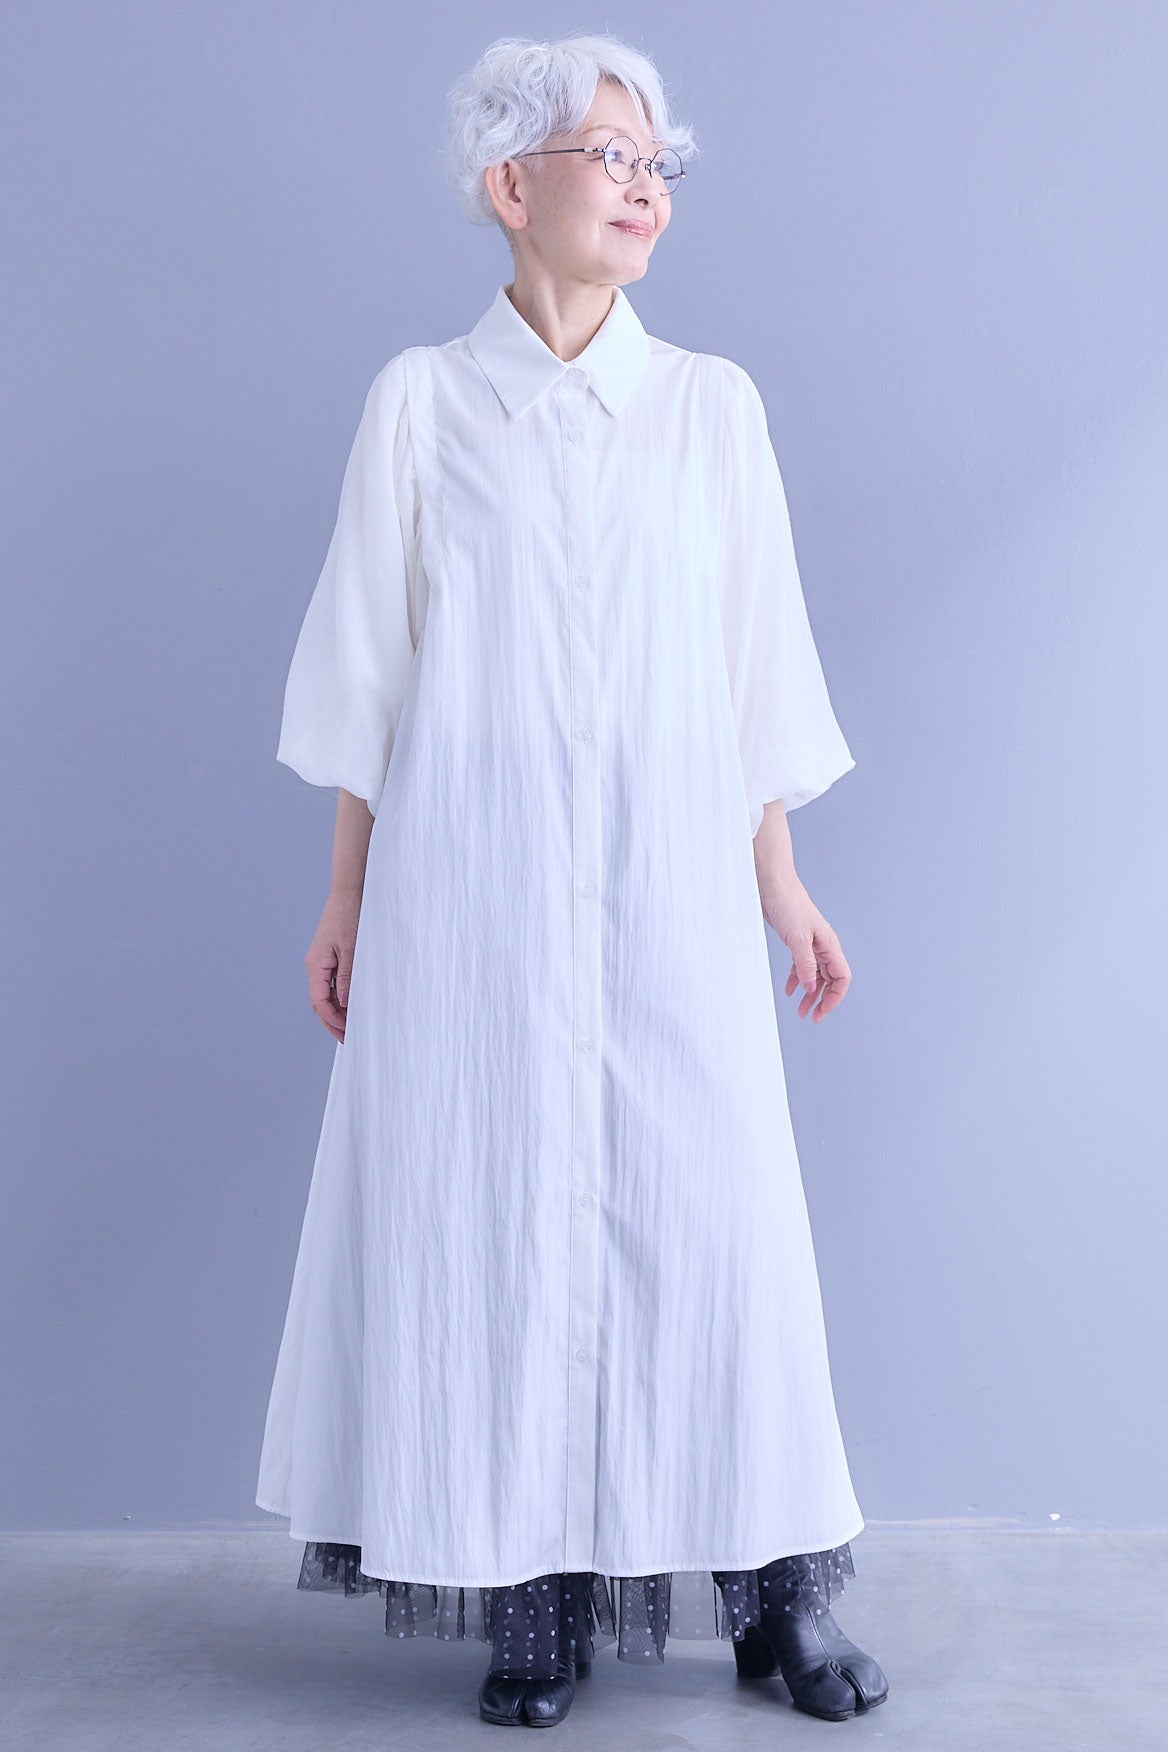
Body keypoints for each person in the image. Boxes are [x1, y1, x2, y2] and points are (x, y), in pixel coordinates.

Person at [256, 30, 889, 1732]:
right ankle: (526, 1595)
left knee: (716, 1225)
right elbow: (373, 675)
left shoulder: (711, 409)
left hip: (677, 886)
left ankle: (774, 1595)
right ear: (507, 183)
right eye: (609, 156)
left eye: (659, 163)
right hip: (471, 892)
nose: (644, 186)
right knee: (490, 1214)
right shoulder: (421, 404)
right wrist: (345, 898)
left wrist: (780, 881)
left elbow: (751, 671)